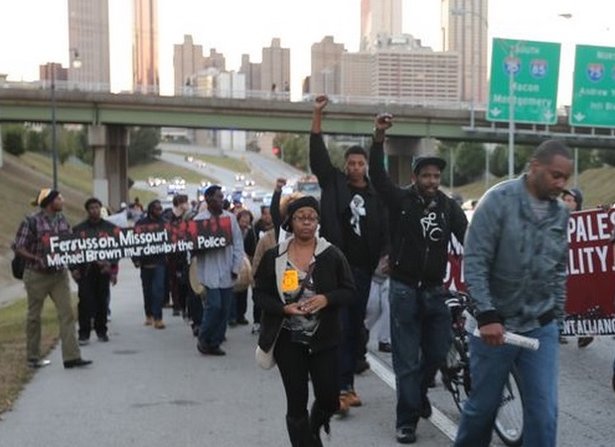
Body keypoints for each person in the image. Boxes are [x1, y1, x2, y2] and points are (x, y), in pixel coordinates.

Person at [454, 140, 573, 447]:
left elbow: (559, 268)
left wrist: (556, 318)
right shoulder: (498, 201)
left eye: (565, 178)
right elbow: (476, 260)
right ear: (534, 167)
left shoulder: (560, 213)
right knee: (483, 409)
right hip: (495, 326)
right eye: (555, 175)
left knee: (544, 413)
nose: (560, 184)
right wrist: (487, 314)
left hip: (540, 325)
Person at [368, 115, 468, 444]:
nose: (431, 180)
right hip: (404, 290)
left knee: (440, 351)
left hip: (435, 290)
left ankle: (418, 393)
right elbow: (378, 177)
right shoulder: (401, 201)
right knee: (407, 360)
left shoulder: (448, 207)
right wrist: (379, 137)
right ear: (415, 177)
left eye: (436, 175)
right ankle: (406, 421)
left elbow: (469, 239)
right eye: (426, 175)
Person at [253, 196, 355, 446]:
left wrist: (327, 299)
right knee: (296, 402)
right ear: (290, 221)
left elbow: (350, 291)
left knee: (329, 398)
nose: (307, 222)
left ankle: (313, 427)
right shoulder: (275, 256)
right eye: (301, 217)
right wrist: (283, 308)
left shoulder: (331, 255)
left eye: (312, 217)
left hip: (324, 339)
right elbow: (259, 293)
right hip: (289, 339)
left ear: (318, 222)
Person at [310, 95, 389, 413]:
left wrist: (378, 136)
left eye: (361, 163)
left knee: (355, 327)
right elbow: (317, 156)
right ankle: (341, 390)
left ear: (366, 166)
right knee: (341, 325)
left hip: (364, 270)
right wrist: (317, 115)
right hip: (336, 268)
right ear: (345, 166)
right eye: (352, 163)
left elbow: (385, 227)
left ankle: (347, 382)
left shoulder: (376, 193)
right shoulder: (334, 184)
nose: (356, 167)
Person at [12, 189, 92, 369]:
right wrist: (35, 258)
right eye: (59, 198)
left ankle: (72, 357)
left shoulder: (62, 220)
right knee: (34, 316)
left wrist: (73, 267)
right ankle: (33, 357)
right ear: (49, 202)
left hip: (58, 275)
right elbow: (18, 247)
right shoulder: (31, 221)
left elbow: (68, 246)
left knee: (67, 314)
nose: (62, 200)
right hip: (36, 275)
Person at [194, 185, 244, 356]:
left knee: (224, 309)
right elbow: (191, 247)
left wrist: (236, 267)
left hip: (227, 269)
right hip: (209, 270)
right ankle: (203, 336)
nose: (221, 200)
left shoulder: (230, 219)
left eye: (222, 197)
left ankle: (215, 342)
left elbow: (238, 244)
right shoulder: (199, 220)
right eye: (218, 197)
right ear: (208, 199)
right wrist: (197, 249)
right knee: (214, 305)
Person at [71, 198, 119, 344]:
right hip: (85, 271)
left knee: (102, 301)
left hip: (103, 271)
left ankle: (101, 331)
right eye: (91, 208)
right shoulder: (79, 229)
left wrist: (111, 266)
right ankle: (84, 333)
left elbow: (117, 250)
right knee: (85, 301)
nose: (95, 210)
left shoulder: (110, 228)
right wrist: (73, 268)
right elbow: (71, 251)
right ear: (87, 210)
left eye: (97, 207)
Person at [561, 187, 593, 348]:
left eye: (570, 200)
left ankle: (583, 332)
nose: (566, 203)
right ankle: (561, 330)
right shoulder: (555, 217)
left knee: (581, 298)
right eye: (564, 199)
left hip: (579, 267)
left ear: (577, 203)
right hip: (560, 267)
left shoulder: (586, 221)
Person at [133, 199, 167, 329]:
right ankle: (149, 314)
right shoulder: (141, 224)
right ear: (151, 210)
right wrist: (135, 259)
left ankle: (158, 318)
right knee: (147, 291)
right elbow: (133, 242)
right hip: (145, 262)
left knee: (158, 290)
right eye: (157, 209)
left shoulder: (164, 224)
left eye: (161, 208)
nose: (160, 211)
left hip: (159, 262)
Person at [163, 194, 191, 317]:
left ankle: (184, 304)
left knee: (184, 280)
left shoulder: (188, 216)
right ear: (180, 204)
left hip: (185, 252)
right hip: (173, 253)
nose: (187, 205)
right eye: (185, 202)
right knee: (174, 280)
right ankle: (176, 304)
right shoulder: (168, 216)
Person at [229, 209, 257, 326]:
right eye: (243, 220)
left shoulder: (251, 232)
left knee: (244, 290)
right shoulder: (232, 231)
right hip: (233, 262)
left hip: (246, 264)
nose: (245, 223)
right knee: (233, 291)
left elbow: (253, 249)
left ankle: (241, 315)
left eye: (247, 221)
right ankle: (232, 316)